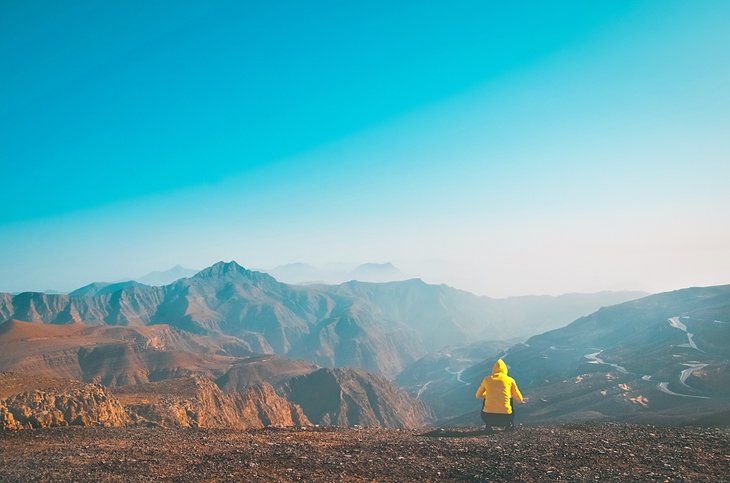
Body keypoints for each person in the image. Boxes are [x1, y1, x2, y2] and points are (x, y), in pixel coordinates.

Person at [475, 358, 525, 433]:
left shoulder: (487, 379)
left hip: (488, 417)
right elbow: (519, 399)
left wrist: (487, 395)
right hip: (505, 417)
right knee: (510, 398)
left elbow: (478, 395)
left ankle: (488, 426)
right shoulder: (510, 380)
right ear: (505, 370)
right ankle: (508, 425)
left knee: (486, 399)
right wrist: (521, 401)